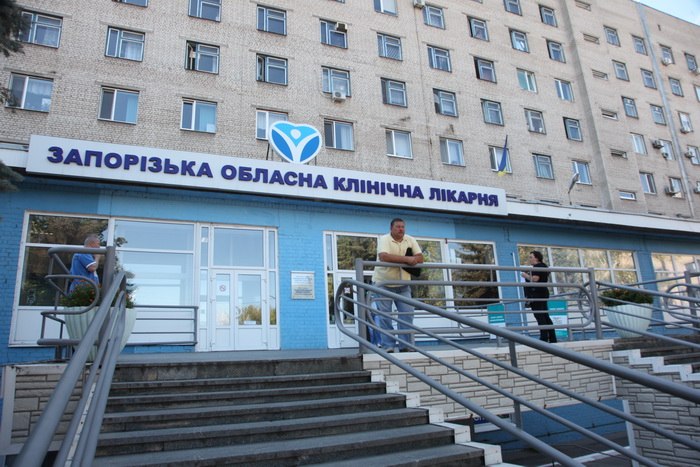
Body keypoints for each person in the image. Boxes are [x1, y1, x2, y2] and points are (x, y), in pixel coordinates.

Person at [373, 218, 424, 352]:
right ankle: (388, 346)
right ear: (391, 228)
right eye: (398, 227)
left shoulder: (410, 239)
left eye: (403, 227)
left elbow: (420, 258)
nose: (401, 229)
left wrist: (411, 259)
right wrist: (407, 259)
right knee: (385, 316)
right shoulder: (384, 239)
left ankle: (405, 346)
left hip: (403, 284)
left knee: (407, 314)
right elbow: (384, 257)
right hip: (383, 283)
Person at [521, 250, 557, 343]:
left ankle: (544, 338)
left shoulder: (537, 267)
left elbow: (535, 279)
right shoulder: (543, 266)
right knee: (545, 316)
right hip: (542, 293)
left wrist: (525, 275)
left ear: (537, 258)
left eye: (531, 257)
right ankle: (552, 338)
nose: (529, 259)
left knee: (540, 316)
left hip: (537, 294)